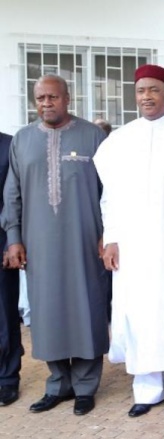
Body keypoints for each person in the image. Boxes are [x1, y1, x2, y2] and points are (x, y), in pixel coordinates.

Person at [93, 64, 164, 421]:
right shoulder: (121, 139)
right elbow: (109, 195)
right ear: (135, 94)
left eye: (154, 90)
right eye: (141, 90)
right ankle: (146, 389)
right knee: (139, 312)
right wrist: (111, 238)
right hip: (135, 244)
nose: (147, 96)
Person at [1, 74, 109, 416]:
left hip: (85, 240)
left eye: (53, 97)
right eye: (40, 98)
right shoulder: (22, 139)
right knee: (47, 313)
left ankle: (86, 386)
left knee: (87, 308)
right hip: (38, 243)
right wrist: (14, 238)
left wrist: (109, 233)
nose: (46, 103)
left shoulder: (93, 137)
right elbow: (11, 194)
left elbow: (111, 191)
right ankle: (58, 383)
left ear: (68, 98)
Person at [0, 131, 21, 408]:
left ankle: (6, 378)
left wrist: (11, 241)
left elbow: (15, 196)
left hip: (2, 240)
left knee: (4, 315)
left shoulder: (9, 145)